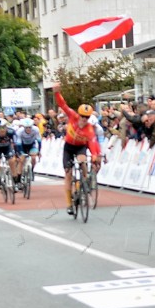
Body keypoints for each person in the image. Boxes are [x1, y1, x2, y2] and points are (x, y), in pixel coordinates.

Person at [52, 83, 102, 215]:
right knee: (68, 174)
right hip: (69, 147)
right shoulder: (72, 116)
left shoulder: (89, 129)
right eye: (82, 116)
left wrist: (95, 155)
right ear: (78, 115)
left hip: (80, 147)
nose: (84, 119)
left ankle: (82, 186)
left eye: (87, 117)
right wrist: (57, 93)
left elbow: (92, 142)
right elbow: (63, 105)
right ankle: (69, 204)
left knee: (83, 161)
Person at [0, 118, 19, 189]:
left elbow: (15, 143)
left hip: (7, 148)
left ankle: (15, 182)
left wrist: (16, 153)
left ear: (6, 127)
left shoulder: (11, 131)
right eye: (0, 128)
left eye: (4, 127)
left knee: (12, 162)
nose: (2, 130)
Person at [15, 117, 42, 187]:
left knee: (33, 158)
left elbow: (39, 141)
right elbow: (18, 144)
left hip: (32, 145)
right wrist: (21, 153)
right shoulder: (19, 131)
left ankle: (32, 170)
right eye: (27, 128)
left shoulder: (36, 129)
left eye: (30, 127)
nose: (28, 129)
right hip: (22, 146)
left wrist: (39, 151)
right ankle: (18, 179)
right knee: (21, 160)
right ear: (24, 127)